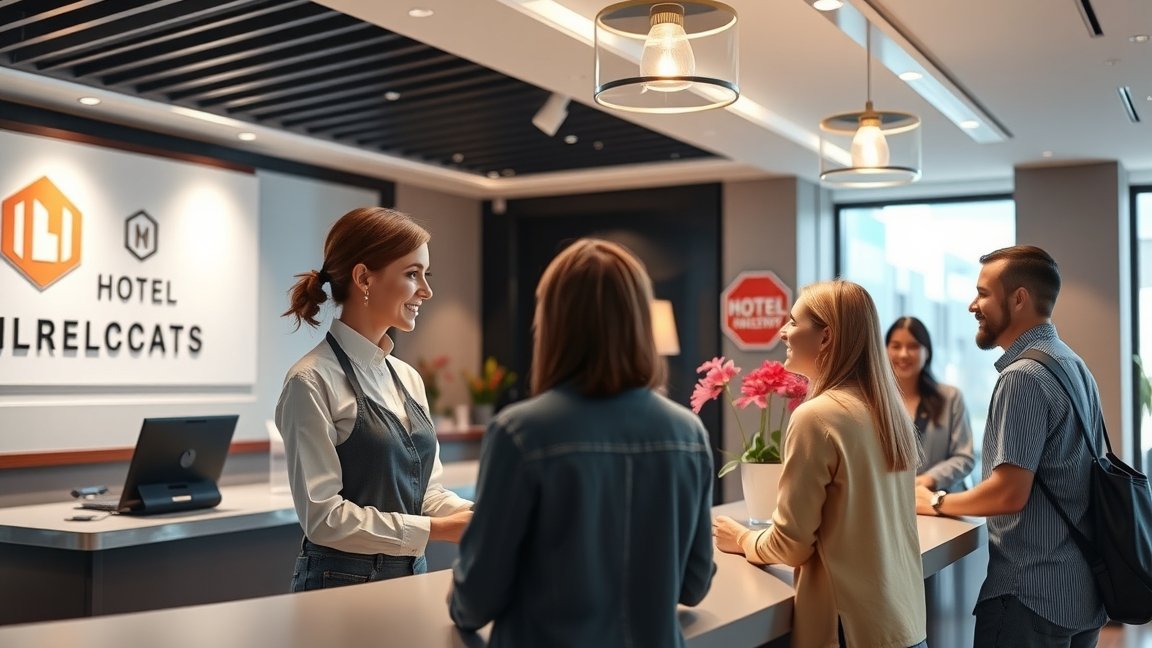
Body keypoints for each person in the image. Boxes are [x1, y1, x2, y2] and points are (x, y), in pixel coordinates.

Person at [449, 238, 715, 647]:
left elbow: (476, 598)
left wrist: (458, 600)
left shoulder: (520, 433)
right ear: (640, 322)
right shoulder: (688, 434)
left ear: (552, 322)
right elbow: (694, 584)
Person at [713, 280, 927, 648]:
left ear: (825, 337)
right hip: (902, 626)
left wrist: (743, 538)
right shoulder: (888, 413)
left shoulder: (817, 417)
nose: (783, 331)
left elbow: (791, 545)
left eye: (793, 322)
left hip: (849, 631)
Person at [914, 245, 1106, 647]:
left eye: (983, 293)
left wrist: (934, 502)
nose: (972, 305)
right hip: (1082, 591)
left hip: (1030, 594)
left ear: (1018, 298)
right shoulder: (1073, 364)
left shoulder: (1023, 376)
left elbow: (1008, 492)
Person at [276, 206, 473, 591]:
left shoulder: (408, 378)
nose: (427, 291)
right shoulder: (311, 380)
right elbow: (324, 518)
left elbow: (425, 493)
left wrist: (478, 516)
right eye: (412, 274)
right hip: (338, 586)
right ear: (364, 277)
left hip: (409, 576)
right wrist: (438, 530)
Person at [886, 316, 975, 492]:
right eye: (896, 346)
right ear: (885, 350)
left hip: (942, 503)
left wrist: (929, 480)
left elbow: (964, 456)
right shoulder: (874, 402)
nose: (903, 354)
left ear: (927, 352)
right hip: (891, 503)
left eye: (913, 346)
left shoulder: (950, 398)